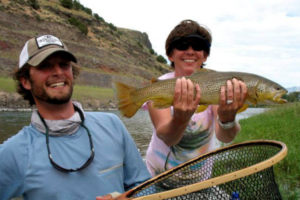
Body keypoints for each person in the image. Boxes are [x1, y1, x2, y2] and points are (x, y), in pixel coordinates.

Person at [0, 35, 150, 200]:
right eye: (45, 66)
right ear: (26, 81)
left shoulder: (112, 125)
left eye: (64, 64)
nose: (58, 72)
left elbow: (145, 187)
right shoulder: (14, 152)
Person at [143, 20, 248, 177]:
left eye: (198, 46)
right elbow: (168, 138)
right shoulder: (159, 86)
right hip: (157, 178)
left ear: (205, 56)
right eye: (182, 45)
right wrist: (180, 118)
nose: (190, 51)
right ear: (170, 55)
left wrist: (227, 119)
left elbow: (225, 137)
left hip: (201, 180)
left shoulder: (218, 85)